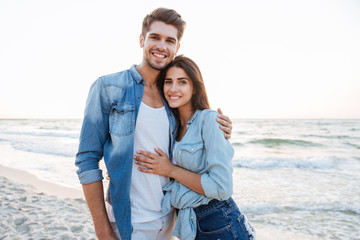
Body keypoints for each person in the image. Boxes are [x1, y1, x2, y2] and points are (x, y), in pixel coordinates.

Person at [75, 8, 233, 240]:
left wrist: (221, 130)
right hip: (128, 224)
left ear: (177, 48)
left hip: (170, 222)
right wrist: (102, 231)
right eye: (155, 37)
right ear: (142, 40)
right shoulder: (109, 88)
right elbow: (87, 160)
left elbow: (194, 142)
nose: (162, 46)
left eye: (170, 40)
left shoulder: (173, 96)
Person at [134, 55, 256, 240]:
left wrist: (170, 169)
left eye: (182, 82)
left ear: (195, 87)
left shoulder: (209, 120)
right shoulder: (171, 125)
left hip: (220, 222)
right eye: (168, 82)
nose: (173, 89)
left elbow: (222, 187)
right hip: (189, 224)